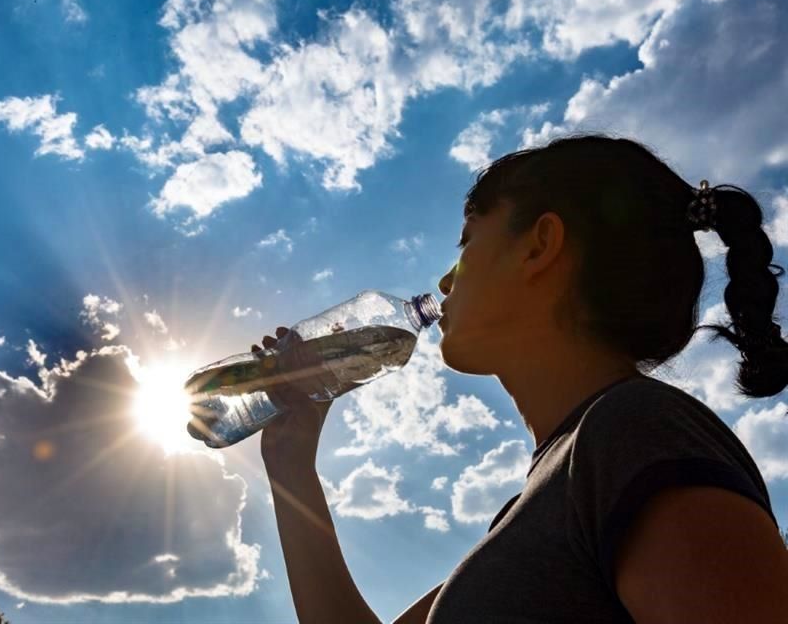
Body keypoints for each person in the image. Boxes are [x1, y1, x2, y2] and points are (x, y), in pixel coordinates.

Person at [252, 134, 788, 623]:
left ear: (538, 246)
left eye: (466, 241)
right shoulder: (542, 502)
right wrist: (291, 469)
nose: (444, 279)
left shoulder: (636, 432)